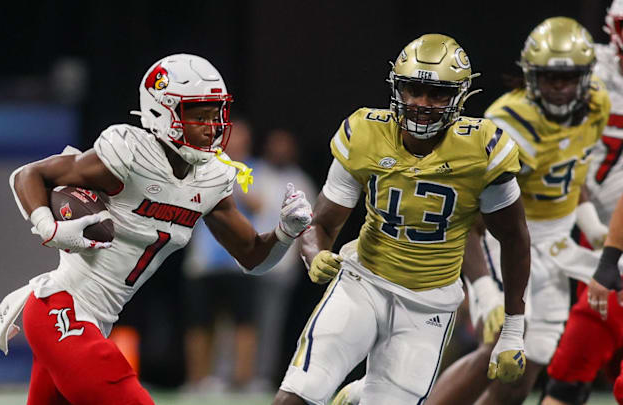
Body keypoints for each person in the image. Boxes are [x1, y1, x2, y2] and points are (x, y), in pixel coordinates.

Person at [0, 54, 313, 405]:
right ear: (163, 112)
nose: (212, 125)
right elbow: (28, 175)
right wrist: (49, 228)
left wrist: (284, 232)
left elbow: (254, 258)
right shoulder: (129, 154)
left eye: (215, 113)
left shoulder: (212, 179)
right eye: (198, 114)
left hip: (94, 320)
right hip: (62, 309)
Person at [272, 34, 530, 405]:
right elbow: (323, 223)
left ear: (460, 96)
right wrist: (315, 256)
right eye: (413, 90)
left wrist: (512, 329)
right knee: (300, 393)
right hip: (364, 282)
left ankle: (359, 397)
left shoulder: (484, 150)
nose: (422, 104)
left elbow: (515, 239)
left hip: (430, 304)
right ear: (397, 88)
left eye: (437, 93)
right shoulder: (364, 133)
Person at [542, 3, 623, 404]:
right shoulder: (589, 72)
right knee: (568, 364)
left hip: (609, 246)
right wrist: (598, 237)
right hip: (594, 238)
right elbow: (557, 157)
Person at [181, 119, 258, 392]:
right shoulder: (205, 166)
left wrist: (234, 180)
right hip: (204, 262)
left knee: (244, 323)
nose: (238, 143)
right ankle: (197, 382)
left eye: (243, 139)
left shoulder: (252, 169)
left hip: (239, 261)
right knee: (200, 323)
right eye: (234, 138)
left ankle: (242, 382)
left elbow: (258, 204)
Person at [249, 129, 317, 392]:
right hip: (247, 261)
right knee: (241, 322)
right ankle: (226, 375)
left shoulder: (302, 181)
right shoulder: (253, 173)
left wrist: (304, 261)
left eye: (285, 146)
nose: (280, 151)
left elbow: (310, 228)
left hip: (282, 267)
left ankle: (261, 376)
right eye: (276, 145)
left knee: (270, 322)